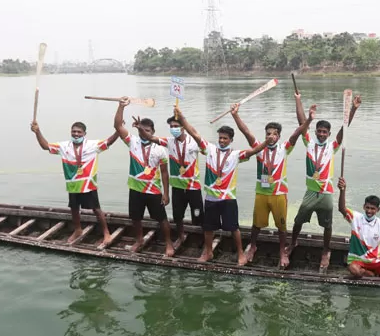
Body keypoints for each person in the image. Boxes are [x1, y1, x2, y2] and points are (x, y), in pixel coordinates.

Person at [173, 105, 270, 265]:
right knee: (208, 228)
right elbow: (194, 133)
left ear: (231, 140)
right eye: (220, 138)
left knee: (234, 228)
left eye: (225, 138)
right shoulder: (209, 149)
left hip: (228, 199)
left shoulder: (236, 155)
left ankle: (240, 254)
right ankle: (208, 252)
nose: (222, 141)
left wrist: (266, 142)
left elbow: (254, 151)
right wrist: (182, 117)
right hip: (211, 198)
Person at [232, 103, 316, 269]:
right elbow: (246, 131)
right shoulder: (259, 148)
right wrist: (235, 115)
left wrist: (308, 121)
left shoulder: (285, 148)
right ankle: (253, 246)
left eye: (274, 134)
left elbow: (297, 133)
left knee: (281, 226)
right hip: (261, 193)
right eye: (268, 133)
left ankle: (282, 251)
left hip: (279, 194)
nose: (270, 136)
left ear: (279, 136)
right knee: (256, 224)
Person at [289, 91, 361, 272]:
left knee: (327, 225)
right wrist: (299, 101)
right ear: (315, 132)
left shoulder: (332, 146)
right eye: (319, 131)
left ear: (328, 134)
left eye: (324, 132)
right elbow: (301, 122)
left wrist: (353, 109)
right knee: (298, 220)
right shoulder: (309, 143)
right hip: (310, 191)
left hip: (326, 192)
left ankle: (326, 250)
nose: (321, 134)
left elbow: (344, 128)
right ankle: (293, 242)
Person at [30, 120, 119, 245]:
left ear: (84, 133)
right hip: (72, 184)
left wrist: (118, 130)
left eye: (79, 132)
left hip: (88, 184)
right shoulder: (64, 146)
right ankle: (78, 230)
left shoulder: (93, 145)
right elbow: (46, 146)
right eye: (74, 131)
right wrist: (37, 132)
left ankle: (106, 233)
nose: (76, 134)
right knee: (74, 209)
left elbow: (109, 141)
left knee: (96, 209)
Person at [114, 98, 174, 257]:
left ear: (153, 132)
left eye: (148, 130)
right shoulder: (132, 142)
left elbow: (164, 173)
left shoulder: (160, 149)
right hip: (135, 188)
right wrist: (121, 107)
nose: (144, 133)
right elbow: (118, 126)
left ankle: (169, 244)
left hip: (153, 191)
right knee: (136, 218)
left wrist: (166, 194)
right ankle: (139, 241)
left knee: (162, 219)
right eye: (142, 130)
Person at [143, 115, 204, 249]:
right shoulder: (169, 141)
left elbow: (196, 135)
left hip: (193, 187)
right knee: (177, 215)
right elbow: (150, 138)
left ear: (183, 127)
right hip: (176, 187)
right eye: (171, 127)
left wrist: (182, 117)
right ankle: (181, 235)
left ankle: (201, 237)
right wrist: (141, 128)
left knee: (198, 215)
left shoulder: (194, 142)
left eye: (176, 126)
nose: (173, 129)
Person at [337, 177, 380, 279]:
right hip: (358, 260)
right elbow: (341, 208)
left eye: (372, 209)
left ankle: (372, 272)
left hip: (376, 260)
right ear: (363, 207)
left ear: (378, 210)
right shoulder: (355, 217)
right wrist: (343, 190)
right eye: (367, 208)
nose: (369, 211)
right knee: (355, 271)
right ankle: (369, 273)